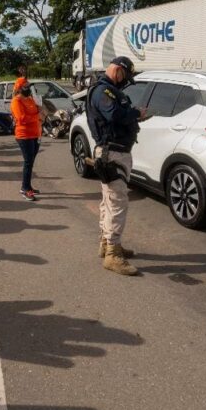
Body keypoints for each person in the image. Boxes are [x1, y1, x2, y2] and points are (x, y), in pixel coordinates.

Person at [85, 56, 144, 276]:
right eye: (125, 76)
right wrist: (137, 114)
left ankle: (106, 244)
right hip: (113, 153)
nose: (125, 82)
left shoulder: (106, 90)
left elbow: (117, 116)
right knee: (117, 203)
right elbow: (114, 114)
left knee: (108, 201)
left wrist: (135, 117)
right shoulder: (104, 92)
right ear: (117, 70)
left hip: (113, 152)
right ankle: (113, 253)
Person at [10, 79, 43, 202]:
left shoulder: (29, 99)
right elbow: (21, 118)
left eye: (28, 86)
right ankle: (24, 188)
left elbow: (36, 112)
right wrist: (36, 115)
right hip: (24, 136)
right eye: (26, 86)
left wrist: (38, 111)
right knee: (28, 162)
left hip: (35, 134)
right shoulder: (16, 101)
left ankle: (28, 186)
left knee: (31, 162)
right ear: (19, 88)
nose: (28, 88)